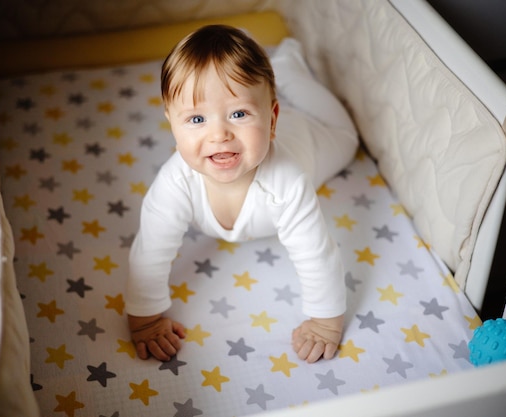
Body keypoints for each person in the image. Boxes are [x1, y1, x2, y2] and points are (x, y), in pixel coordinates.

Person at [126, 24, 358, 363]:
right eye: (196, 119)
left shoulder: (287, 182)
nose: (219, 134)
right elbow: (151, 251)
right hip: (278, 121)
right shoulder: (175, 182)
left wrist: (325, 323)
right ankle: (265, 87)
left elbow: (316, 254)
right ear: (172, 124)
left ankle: (289, 69)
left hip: (317, 130)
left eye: (238, 114)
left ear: (271, 119)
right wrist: (144, 321)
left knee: (348, 134)